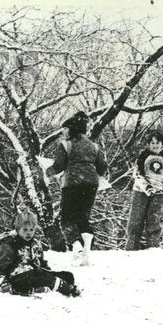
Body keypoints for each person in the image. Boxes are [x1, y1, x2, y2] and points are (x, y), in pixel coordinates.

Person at [48, 111, 108, 267]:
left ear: (71, 129)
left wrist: (47, 171)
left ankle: (76, 246)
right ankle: (86, 253)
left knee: (67, 218)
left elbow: (59, 165)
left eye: (65, 128)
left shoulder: (66, 144)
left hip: (72, 184)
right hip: (91, 185)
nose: (63, 132)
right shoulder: (94, 146)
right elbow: (102, 168)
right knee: (83, 217)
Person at [0, 209, 80, 297]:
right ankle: (65, 288)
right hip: (19, 279)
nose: (29, 232)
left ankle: (46, 287)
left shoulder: (36, 244)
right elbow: (0, 270)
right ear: (17, 230)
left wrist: (49, 273)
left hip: (37, 275)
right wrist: (5, 284)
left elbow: (41, 261)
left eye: (31, 230)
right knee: (39, 276)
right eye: (25, 230)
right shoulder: (10, 246)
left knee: (68, 276)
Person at [124, 129, 163, 250]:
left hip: (158, 193)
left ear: (162, 145)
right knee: (136, 220)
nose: (155, 145)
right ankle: (132, 247)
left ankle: (153, 247)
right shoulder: (143, 157)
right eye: (152, 143)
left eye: (158, 143)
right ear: (148, 145)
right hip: (141, 192)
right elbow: (137, 174)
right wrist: (146, 187)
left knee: (154, 220)